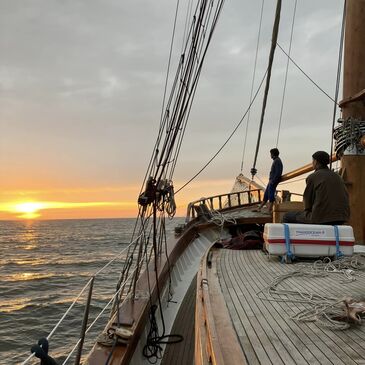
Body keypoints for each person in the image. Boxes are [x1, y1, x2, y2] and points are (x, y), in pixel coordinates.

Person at [283, 151, 350, 225]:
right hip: (341, 217)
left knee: (287, 216)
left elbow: (307, 202)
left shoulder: (312, 177)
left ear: (316, 162)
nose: (312, 163)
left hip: (320, 218)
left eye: (313, 160)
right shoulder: (338, 177)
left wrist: (308, 212)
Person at [255, 148, 283, 213]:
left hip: (273, 181)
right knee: (266, 195)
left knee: (271, 195)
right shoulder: (276, 160)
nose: (270, 155)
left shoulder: (277, 161)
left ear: (273, 154)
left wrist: (273, 181)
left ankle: (269, 210)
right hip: (271, 181)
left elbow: (278, 172)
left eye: (270, 154)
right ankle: (259, 208)